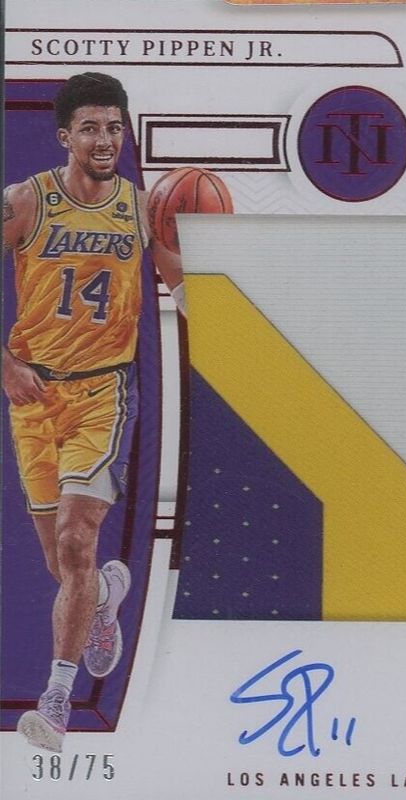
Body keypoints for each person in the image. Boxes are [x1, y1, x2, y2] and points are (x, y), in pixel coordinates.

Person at [2, 72, 184, 753]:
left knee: (77, 540)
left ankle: (55, 703)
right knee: (64, 563)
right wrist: (6, 366)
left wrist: (213, 248)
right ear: (64, 136)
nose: (105, 139)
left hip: (103, 394)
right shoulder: (26, 201)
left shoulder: (144, 209)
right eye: (90, 128)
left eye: (114, 127)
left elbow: (186, 290)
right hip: (33, 398)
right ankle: (104, 601)